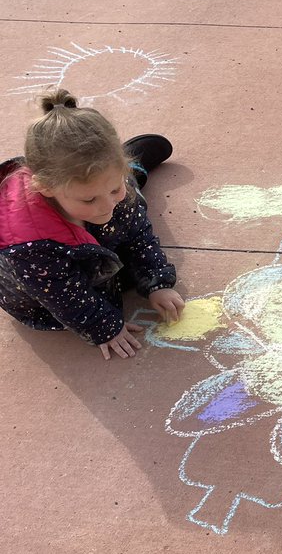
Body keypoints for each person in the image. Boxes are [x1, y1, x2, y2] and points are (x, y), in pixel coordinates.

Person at [0, 88, 184, 360]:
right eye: (89, 199)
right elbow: (63, 296)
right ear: (45, 187)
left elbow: (139, 235)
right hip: (44, 291)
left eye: (112, 190)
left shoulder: (103, 193)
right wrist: (105, 328)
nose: (106, 205)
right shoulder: (28, 244)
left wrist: (158, 282)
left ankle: (134, 169)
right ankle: (132, 170)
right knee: (104, 280)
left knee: (128, 199)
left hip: (93, 243)